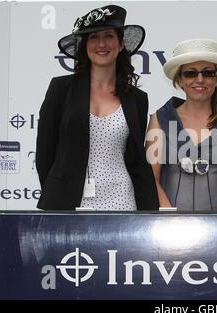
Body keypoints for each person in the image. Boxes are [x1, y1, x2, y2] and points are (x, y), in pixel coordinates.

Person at [36, 5, 158, 211]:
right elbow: (45, 153)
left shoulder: (137, 99)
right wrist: (57, 194)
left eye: (109, 36)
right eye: (93, 37)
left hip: (123, 200)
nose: (101, 43)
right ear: (85, 45)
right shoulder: (61, 89)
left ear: (121, 44)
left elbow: (136, 160)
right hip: (69, 202)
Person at [146, 39, 217, 211]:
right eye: (191, 73)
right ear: (179, 79)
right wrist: (169, 220)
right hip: (167, 229)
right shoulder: (159, 119)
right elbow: (151, 179)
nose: (200, 79)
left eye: (208, 73)